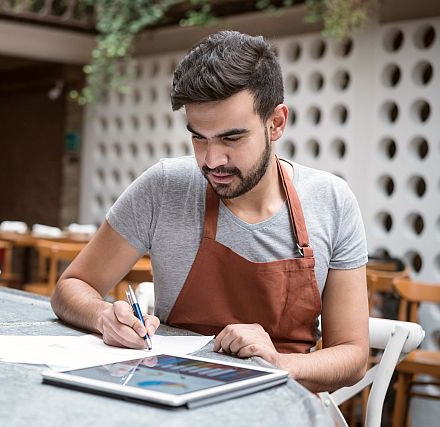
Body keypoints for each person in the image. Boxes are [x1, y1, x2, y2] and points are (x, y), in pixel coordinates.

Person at [51, 30, 368, 392]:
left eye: (232, 138)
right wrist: (103, 316)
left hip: (282, 402)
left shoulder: (332, 201)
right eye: (199, 137)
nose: (212, 160)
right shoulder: (164, 187)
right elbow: (72, 287)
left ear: (276, 123)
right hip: (172, 395)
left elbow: (353, 355)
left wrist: (280, 363)